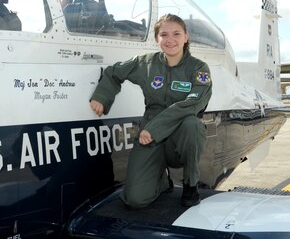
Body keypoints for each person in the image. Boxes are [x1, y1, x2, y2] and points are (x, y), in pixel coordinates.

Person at [89, 13, 212, 208]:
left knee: (192, 124)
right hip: (150, 137)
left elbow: (194, 102)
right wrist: (101, 97)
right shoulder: (145, 63)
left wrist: (155, 128)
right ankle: (161, 181)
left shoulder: (198, 69)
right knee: (135, 199)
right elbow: (114, 72)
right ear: (157, 39)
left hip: (178, 137)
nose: (170, 40)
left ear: (186, 37)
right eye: (164, 35)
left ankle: (190, 185)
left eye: (176, 34)